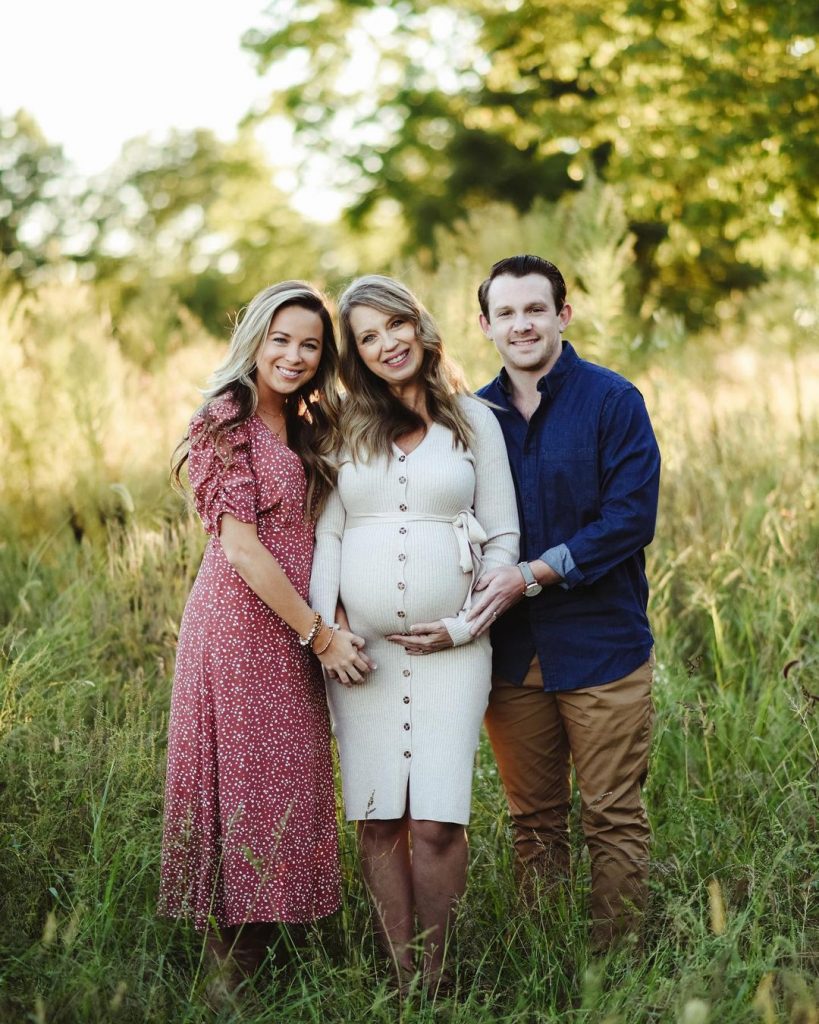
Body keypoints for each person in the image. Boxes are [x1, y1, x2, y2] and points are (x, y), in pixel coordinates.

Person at [158, 281, 374, 986]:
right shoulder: (224, 420)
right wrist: (320, 636)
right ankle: (230, 987)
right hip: (242, 631)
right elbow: (244, 549)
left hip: (293, 628)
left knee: (281, 793)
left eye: (310, 344)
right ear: (253, 336)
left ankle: (269, 971)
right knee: (243, 795)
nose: (294, 354)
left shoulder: (307, 420)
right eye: (280, 338)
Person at [309, 275, 519, 992]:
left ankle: (436, 974)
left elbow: (503, 538)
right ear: (356, 354)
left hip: (453, 658)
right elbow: (328, 533)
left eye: (394, 325)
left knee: (436, 821)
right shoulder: (342, 426)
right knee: (375, 821)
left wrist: (464, 625)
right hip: (360, 662)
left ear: (419, 325)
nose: (385, 343)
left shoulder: (473, 418)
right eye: (366, 336)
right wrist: (328, 631)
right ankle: (401, 980)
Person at [468, 254, 661, 951]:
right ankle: (548, 964)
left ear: (562, 315)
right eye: (507, 313)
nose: (522, 324)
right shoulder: (471, 417)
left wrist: (534, 573)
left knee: (612, 815)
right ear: (485, 325)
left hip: (601, 645)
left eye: (535, 309)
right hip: (510, 654)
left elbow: (630, 517)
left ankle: (617, 967)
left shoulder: (613, 401)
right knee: (535, 820)